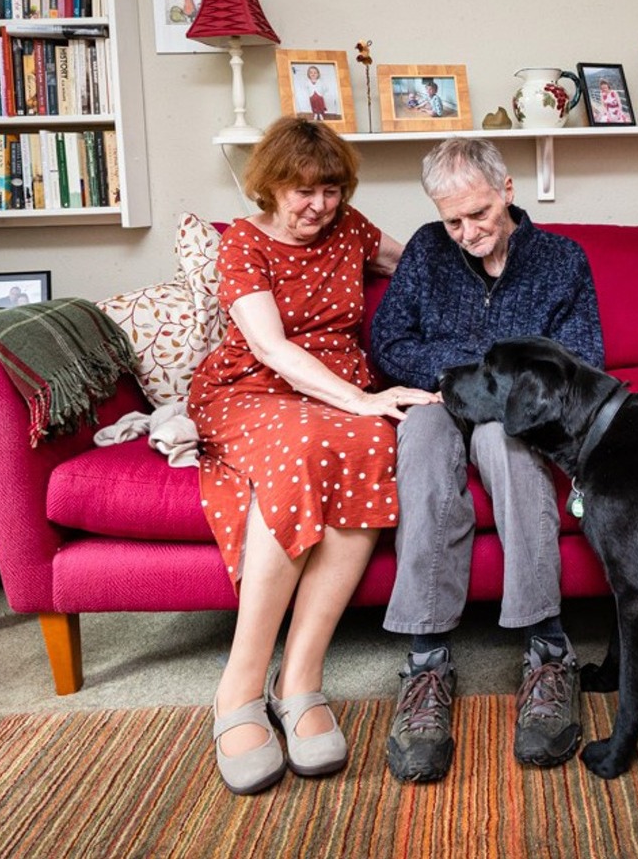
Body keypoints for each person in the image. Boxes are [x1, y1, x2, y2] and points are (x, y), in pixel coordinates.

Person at [188, 117, 437, 796]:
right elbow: (270, 349)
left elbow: (420, 260)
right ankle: (239, 686)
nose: (317, 206)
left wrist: (494, 248)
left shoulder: (349, 229)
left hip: (337, 397)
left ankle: (300, 677)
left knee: (373, 441)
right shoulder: (244, 243)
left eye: (330, 190)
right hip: (253, 389)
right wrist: (359, 399)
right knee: (304, 446)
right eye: (302, 192)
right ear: (270, 187)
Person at [370, 137, 604, 782]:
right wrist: (451, 380)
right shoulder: (425, 249)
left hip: (517, 410)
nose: (467, 232)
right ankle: (426, 663)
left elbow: (582, 359)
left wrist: (500, 397)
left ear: (506, 188)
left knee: (509, 448)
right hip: (438, 395)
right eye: (453, 220)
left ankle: (549, 652)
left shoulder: (561, 260)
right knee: (418, 444)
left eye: (479, 213)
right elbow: (389, 339)